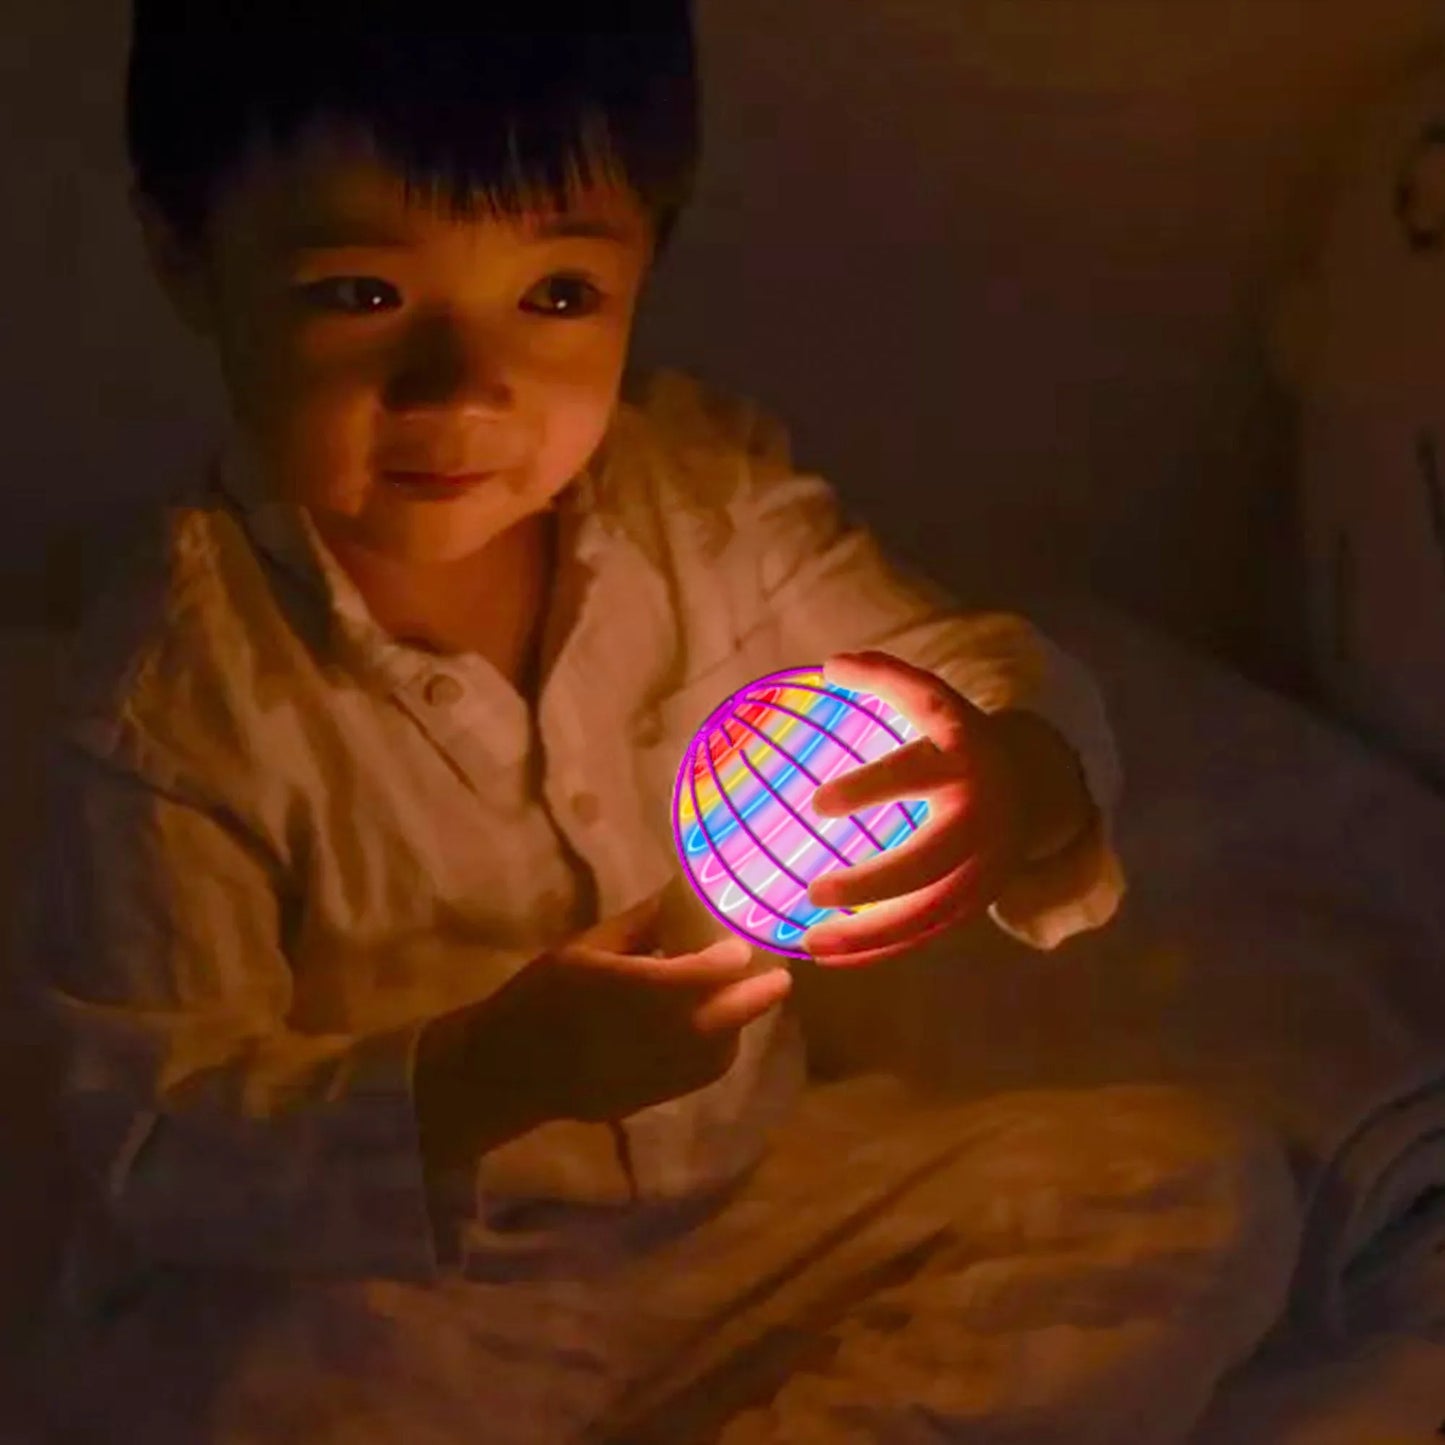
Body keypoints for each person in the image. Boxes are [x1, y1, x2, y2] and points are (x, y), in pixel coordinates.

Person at [16, 3, 1299, 1440]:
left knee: (1188, 1194)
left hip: (740, 1204)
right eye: (360, 293)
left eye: (556, 293)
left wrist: (1014, 775)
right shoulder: (165, 701)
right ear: (186, 258)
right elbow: (153, 1128)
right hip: (385, 1300)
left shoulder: (706, 508)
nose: (462, 383)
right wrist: (486, 1075)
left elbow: (955, 658)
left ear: (646, 260)